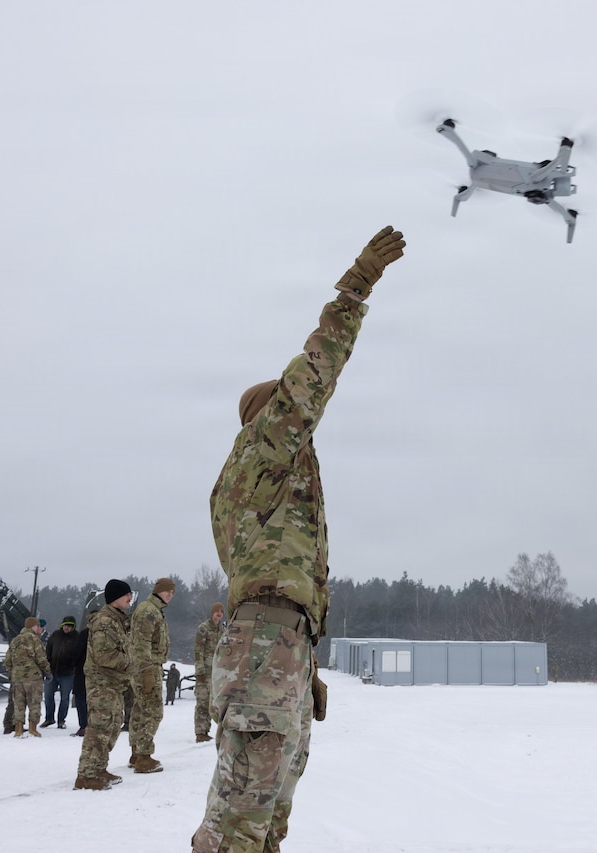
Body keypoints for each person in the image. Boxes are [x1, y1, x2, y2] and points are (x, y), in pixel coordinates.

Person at [191, 226, 404, 853]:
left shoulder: (264, 484)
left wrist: (300, 659)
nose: (305, 430)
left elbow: (276, 574)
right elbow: (316, 371)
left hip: (275, 650)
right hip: (263, 653)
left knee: (267, 819)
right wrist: (357, 285)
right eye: (293, 421)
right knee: (238, 827)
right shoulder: (265, 448)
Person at [74, 579, 133, 790]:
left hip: (114, 684)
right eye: (127, 594)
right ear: (115, 597)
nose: (130, 598)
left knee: (112, 726)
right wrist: (130, 661)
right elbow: (103, 655)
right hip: (102, 684)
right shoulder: (104, 622)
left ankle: (99, 768)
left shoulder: (117, 621)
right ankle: (86, 775)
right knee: (99, 728)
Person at [129, 577, 174, 773]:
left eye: (172, 593)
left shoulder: (154, 611)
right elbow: (141, 643)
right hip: (148, 667)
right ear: (158, 591)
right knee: (153, 711)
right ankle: (144, 757)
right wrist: (146, 670)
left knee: (140, 710)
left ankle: (136, 753)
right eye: (167, 592)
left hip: (147, 666)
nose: (170, 596)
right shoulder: (148, 611)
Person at [3, 616, 51, 737]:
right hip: (33, 678)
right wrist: (48, 671)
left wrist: (11, 673)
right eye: (37, 626)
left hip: (17, 679)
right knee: (34, 703)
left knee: (18, 704)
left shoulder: (15, 640)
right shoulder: (34, 639)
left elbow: (7, 660)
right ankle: (32, 728)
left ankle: (18, 729)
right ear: (34, 626)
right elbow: (41, 658)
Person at [42, 615, 81, 729]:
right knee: (48, 695)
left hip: (68, 674)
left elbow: (79, 655)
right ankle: (49, 718)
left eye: (69, 626)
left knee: (65, 698)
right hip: (52, 672)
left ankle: (61, 720)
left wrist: (74, 667)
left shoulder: (77, 638)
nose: (66, 628)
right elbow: (48, 650)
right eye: (65, 625)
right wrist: (47, 666)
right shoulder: (55, 635)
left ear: (73, 627)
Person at [193, 602, 225, 742]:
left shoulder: (223, 631)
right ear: (212, 613)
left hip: (217, 673)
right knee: (203, 702)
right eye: (216, 611)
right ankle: (200, 732)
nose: (219, 614)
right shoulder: (203, 629)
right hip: (205, 673)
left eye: (221, 611)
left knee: (214, 703)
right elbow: (198, 651)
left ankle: (207, 730)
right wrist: (200, 671)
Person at [70, 604, 95, 737]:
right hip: (101, 674)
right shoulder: (108, 633)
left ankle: (84, 726)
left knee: (81, 698)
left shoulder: (85, 633)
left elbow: (77, 653)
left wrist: (73, 664)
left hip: (83, 672)